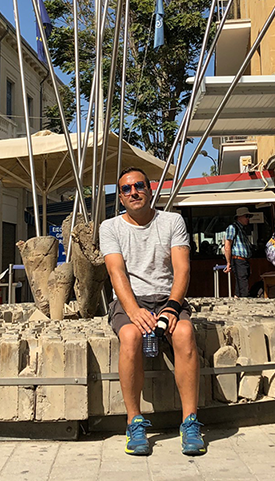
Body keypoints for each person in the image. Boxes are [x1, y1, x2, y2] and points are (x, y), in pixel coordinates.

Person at [99, 167, 206, 457]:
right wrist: (133, 311)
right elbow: (116, 272)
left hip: (167, 298)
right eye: (126, 189)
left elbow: (182, 268)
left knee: (184, 332)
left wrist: (172, 307)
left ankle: (190, 422)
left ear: (150, 189)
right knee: (130, 336)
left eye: (139, 186)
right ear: (121, 197)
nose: (133, 192)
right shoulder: (110, 227)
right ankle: (134, 422)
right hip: (130, 300)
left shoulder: (172, 221)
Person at [223, 206, 253, 297]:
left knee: (241, 283)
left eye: (249, 216)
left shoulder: (242, 229)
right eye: (246, 216)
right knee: (243, 284)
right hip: (238, 260)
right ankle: (243, 300)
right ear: (239, 217)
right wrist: (228, 262)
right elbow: (227, 245)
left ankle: (238, 298)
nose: (248, 219)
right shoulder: (233, 228)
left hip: (244, 260)